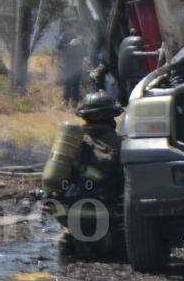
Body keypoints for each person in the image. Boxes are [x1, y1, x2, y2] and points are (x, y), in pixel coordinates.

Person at [53, 90, 124, 260]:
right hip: (100, 216)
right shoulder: (119, 145)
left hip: (64, 212)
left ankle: (73, 238)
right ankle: (98, 244)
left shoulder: (70, 141)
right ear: (111, 117)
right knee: (123, 250)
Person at [57, 19, 86, 105]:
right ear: (71, 25)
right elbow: (59, 46)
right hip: (67, 62)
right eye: (75, 23)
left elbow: (86, 51)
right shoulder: (65, 35)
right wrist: (70, 45)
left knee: (76, 82)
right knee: (67, 81)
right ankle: (65, 101)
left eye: (77, 23)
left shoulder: (81, 36)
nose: (77, 25)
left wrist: (81, 45)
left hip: (78, 62)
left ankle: (74, 102)